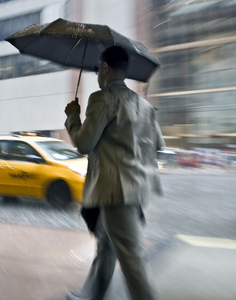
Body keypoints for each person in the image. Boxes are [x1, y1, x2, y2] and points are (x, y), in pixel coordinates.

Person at [64, 46, 164, 300]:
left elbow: (84, 143)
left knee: (132, 258)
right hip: (137, 188)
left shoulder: (103, 99)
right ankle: (93, 295)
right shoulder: (145, 106)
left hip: (114, 192)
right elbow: (159, 146)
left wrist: (72, 118)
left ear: (105, 67)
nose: (98, 73)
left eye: (98, 68)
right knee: (106, 248)